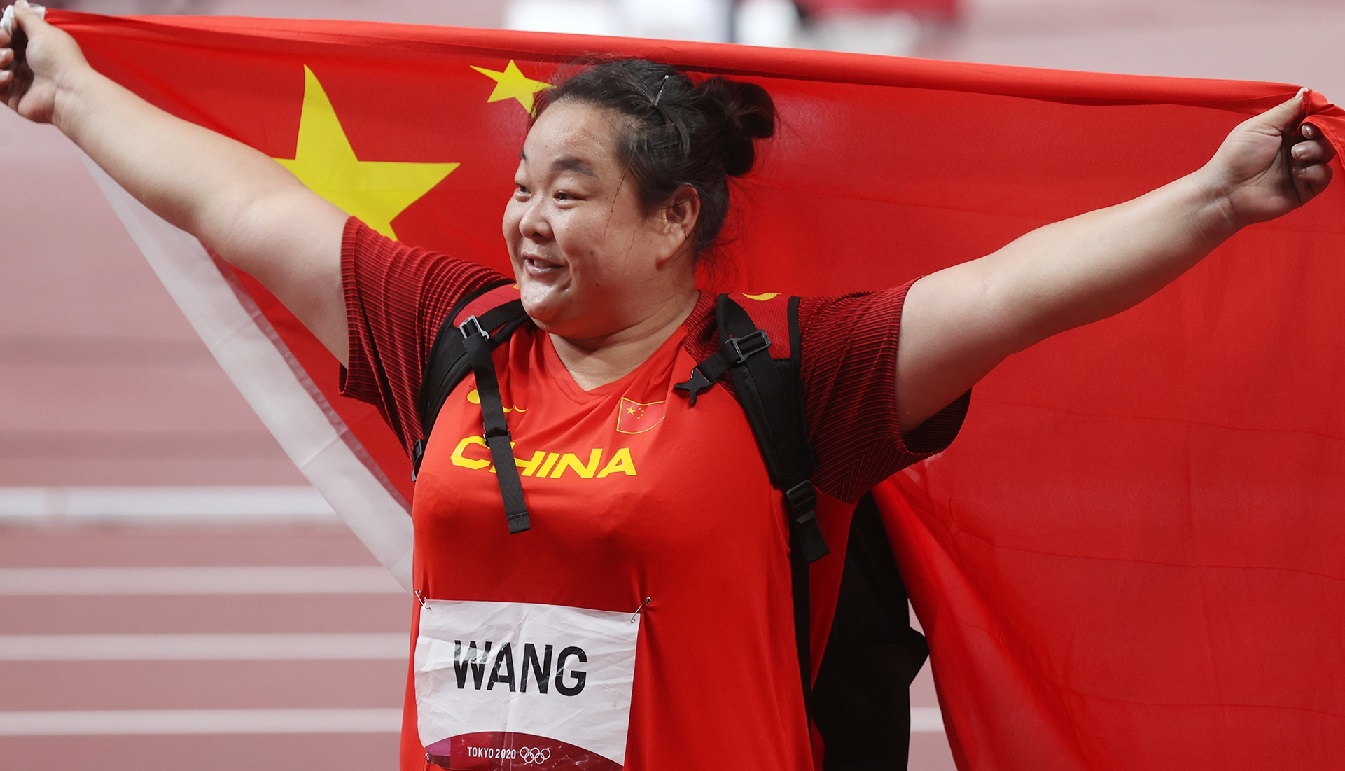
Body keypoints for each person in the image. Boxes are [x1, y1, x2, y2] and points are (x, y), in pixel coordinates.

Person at [1, 1, 1335, 769]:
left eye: (566, 193)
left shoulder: (791, 377)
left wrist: (1218, 197)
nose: (523, 218)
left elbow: (1017, 286)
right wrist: (69, 91)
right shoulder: (450, 339)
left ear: (671, 221)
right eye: (520, 187)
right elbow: (240, 201)